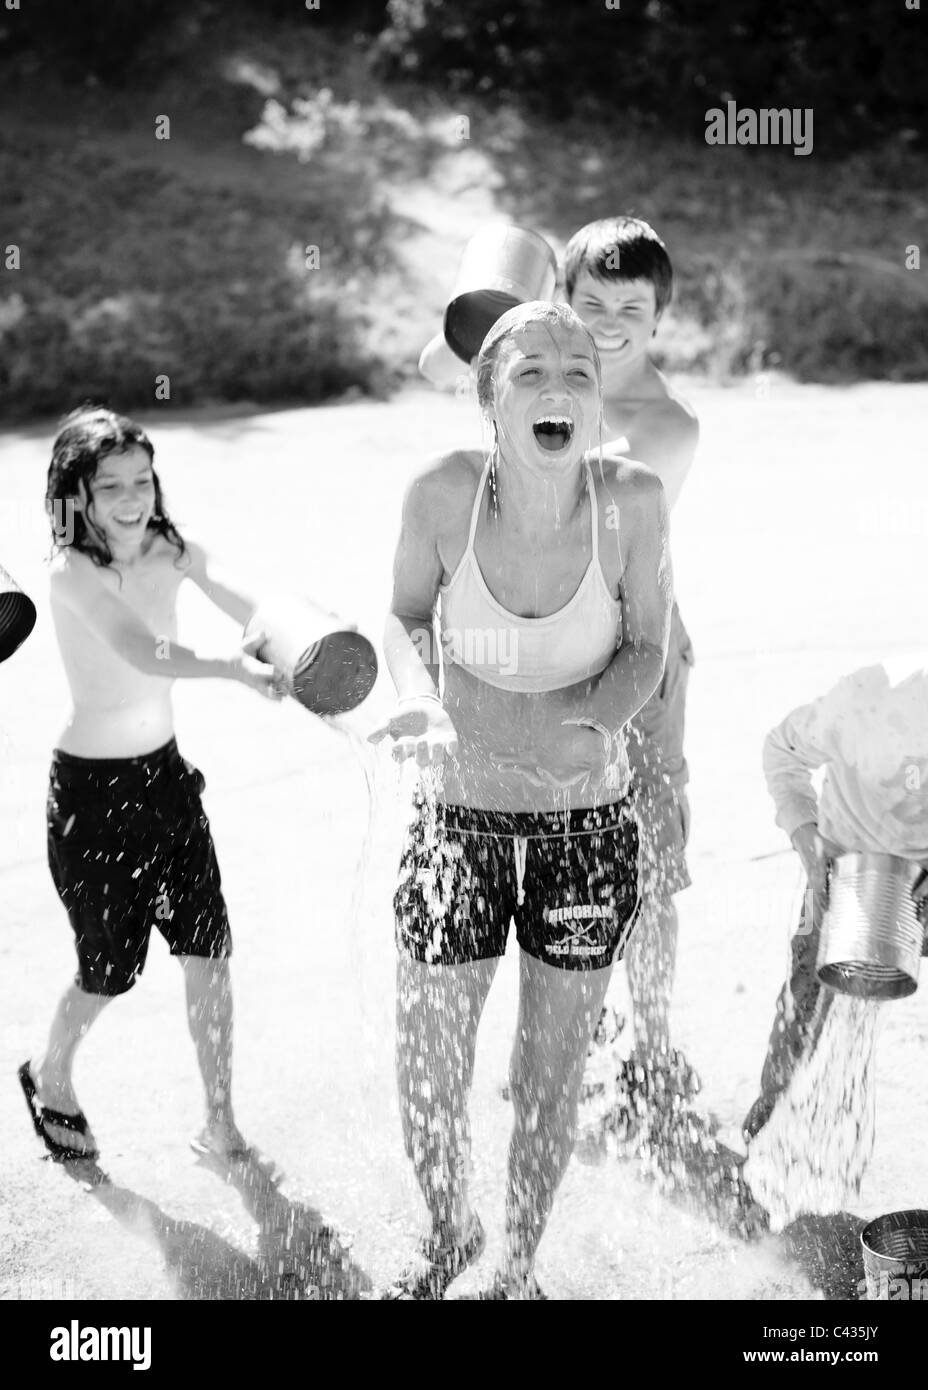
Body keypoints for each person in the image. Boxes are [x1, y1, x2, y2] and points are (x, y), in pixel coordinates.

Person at [373, 302, 671, 1298]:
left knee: (547, 1071)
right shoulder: (441, 492)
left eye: (578, 372)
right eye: (531, 370)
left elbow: (645, 646)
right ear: (489, 398)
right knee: (431, 1059)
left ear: (597, 402)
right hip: (457, 814)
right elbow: (409, 614)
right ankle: (448, 1227)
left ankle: (516, 1262)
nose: (557, 388)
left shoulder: (634, 499)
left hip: (584, 829)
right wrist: (420, 699)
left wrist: (589, 722)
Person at [18, 405, 285, 1164]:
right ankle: (49, 1073)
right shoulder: (70, 571)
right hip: (94, 803)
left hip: (166, 784)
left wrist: (286, 628)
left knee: (208, 950)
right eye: (111, 487)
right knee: (109, 970)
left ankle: (221, 1119)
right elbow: (142, 649)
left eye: (143, 479)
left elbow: (234, 590)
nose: (132, 497)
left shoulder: (168, 547)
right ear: (77, 496)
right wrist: (233, 666)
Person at [563, 217, 699, 1117]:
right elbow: (433, 359)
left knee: (646, 864)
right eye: (589, 304)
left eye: (631, 309)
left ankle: (652, 1048)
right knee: (566, 859)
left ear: (659, 320)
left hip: (642, 660)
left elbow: (597, 500)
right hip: (552, 650)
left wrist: (535, 379)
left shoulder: (667, 425)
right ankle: (573, 1030)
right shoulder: (546, 375)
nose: (609, 323)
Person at [742, 664, 928, 1225]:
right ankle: (763, 1160)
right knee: (804, 1015)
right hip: (838, 882)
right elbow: (780, 750)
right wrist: (805, 835)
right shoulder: (846, 716)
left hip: (920, 886)